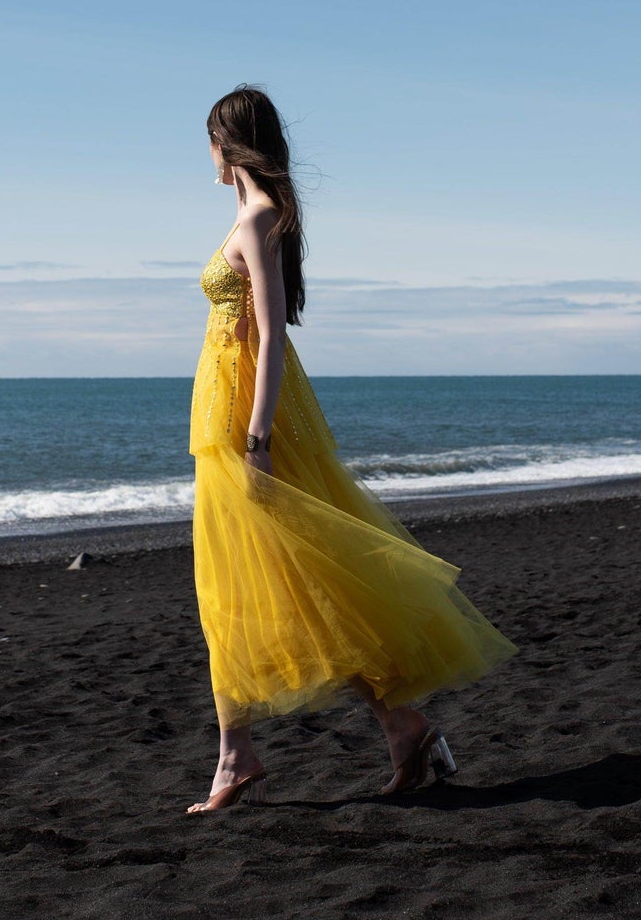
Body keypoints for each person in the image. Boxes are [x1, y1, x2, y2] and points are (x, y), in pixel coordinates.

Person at [187, 85, 515, 814]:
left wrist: (258, 440)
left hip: (245, 425)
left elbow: (273, 335)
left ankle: (243, 754)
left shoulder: (259, 218)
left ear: (226, 143)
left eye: (209, 142)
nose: (204, 156)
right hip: (223, 420)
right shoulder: (249, 215)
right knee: (268, 585)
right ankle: (392, 727)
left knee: (268, 585)